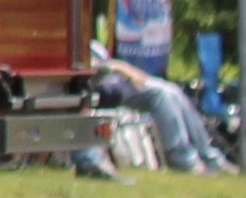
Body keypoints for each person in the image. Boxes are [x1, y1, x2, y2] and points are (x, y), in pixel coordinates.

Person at [94, 47, 232, 173]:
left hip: (116, 80)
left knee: (173, 91)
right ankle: (182, 159)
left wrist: (121, 68)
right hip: (101, 85)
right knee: (161, 95)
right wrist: (118, 67)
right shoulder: (82, 39)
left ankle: (209, 156)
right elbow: (91, 64)